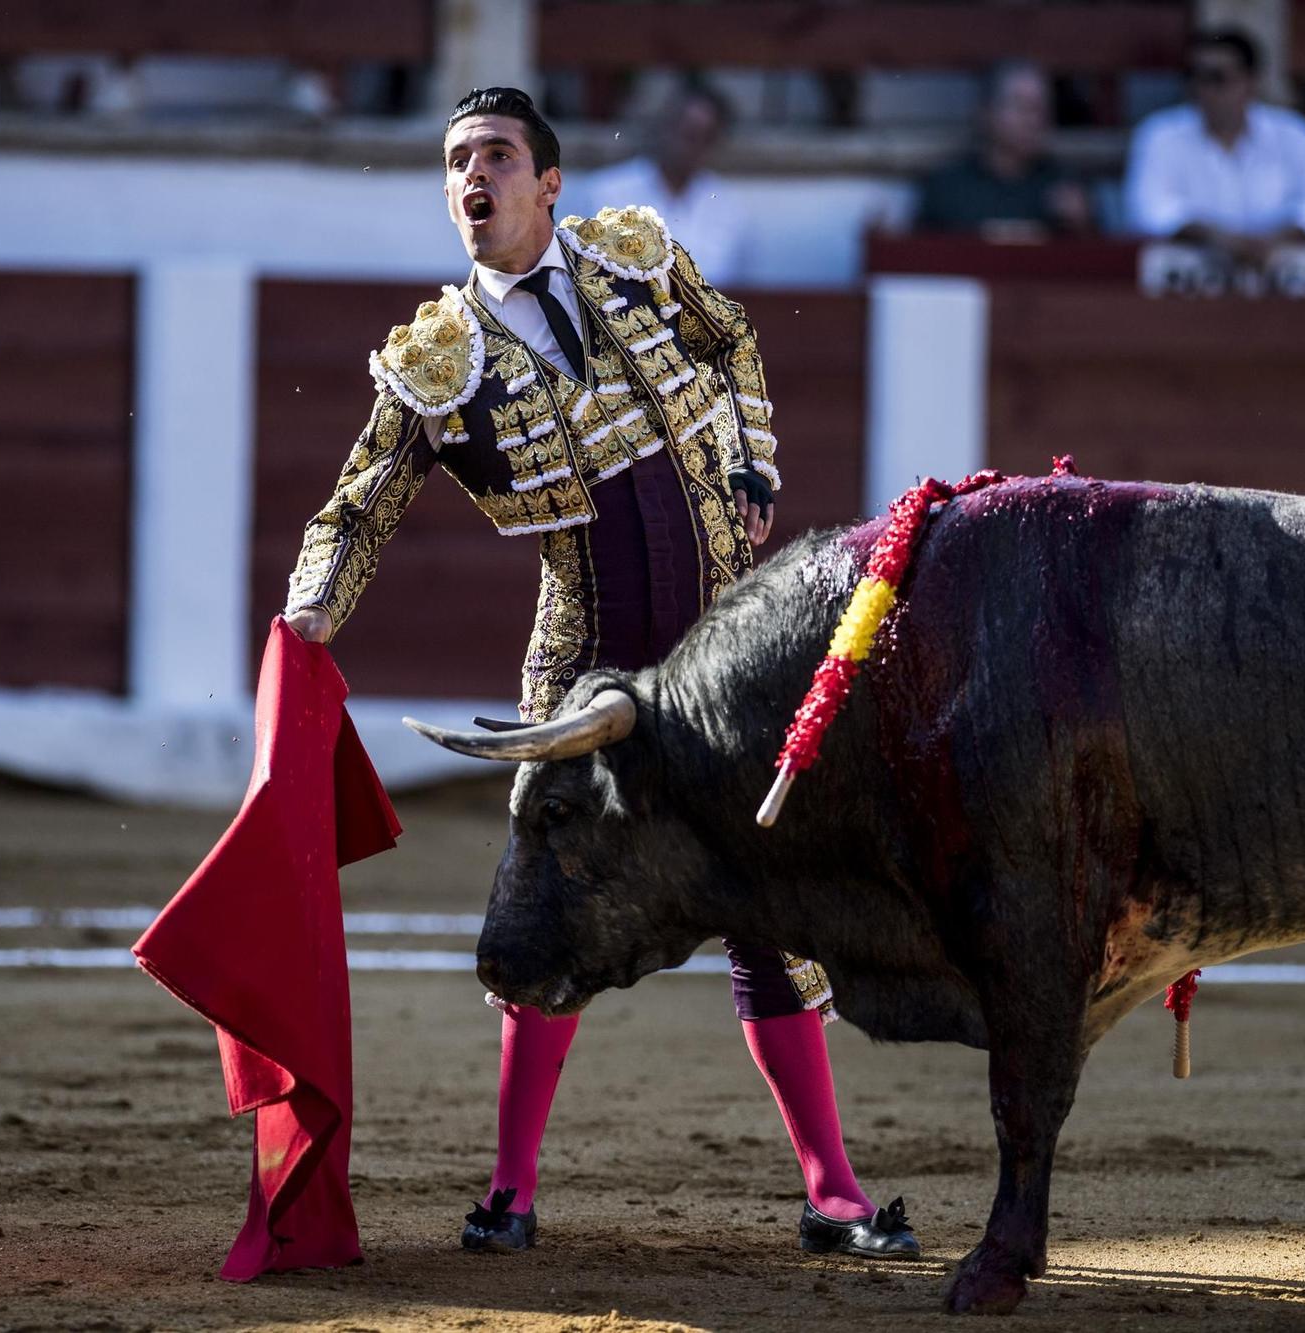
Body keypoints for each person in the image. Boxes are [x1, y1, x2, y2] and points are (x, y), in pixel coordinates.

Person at [284, 87, 918, 1262]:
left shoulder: (633, 258)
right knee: (551, 917)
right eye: (455, 161)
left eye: (495, 156)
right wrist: (312, 606)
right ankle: (508, 1192)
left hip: (723, 660)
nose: (471, 177)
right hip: (583, 672)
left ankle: (832, 1196)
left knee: (770, 919)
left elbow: (729, 339)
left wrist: (754, 462)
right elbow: (357, 505)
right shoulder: (438, 357)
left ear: (548, 183)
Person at [1124, 28, 1305, 264]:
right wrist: (1216, 238)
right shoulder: (1160, 135)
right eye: (1195, 77)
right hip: (1190, 277)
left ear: (1250, 82)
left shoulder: (1295, 135)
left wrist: (1275, 240)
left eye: (1217, 78)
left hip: (1282, 270)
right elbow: (1150, 212)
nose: (1203, 89)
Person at [578, 80, 748, 287]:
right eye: (686, 132)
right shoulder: (607, 192)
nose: (690, 146)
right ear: (664, 127)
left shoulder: (730, 206)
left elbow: (738, 288)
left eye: (704, 137)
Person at [913, 60, 1089, 239]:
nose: (1033, 120)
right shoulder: (947, 188)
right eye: (1022, 107)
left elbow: (1094, 250)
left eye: (1040, 108)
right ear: (986, 112)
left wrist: (1079, 225)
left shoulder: (1065, 183)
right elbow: (920, 251)